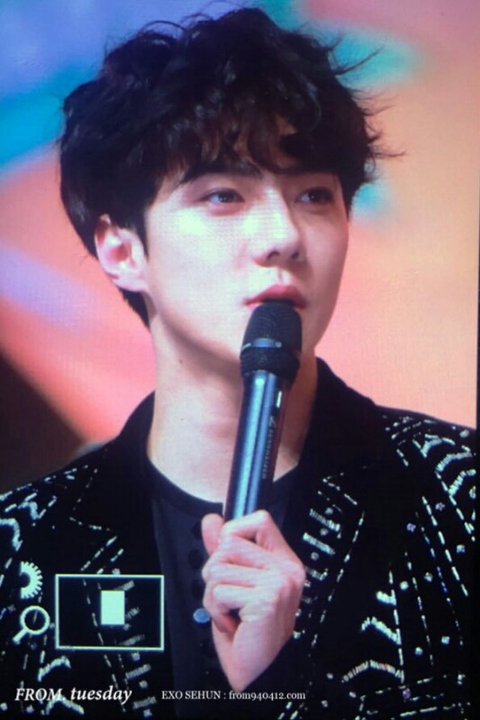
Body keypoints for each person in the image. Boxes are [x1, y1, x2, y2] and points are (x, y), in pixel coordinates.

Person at [0, 8, 475, 720]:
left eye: (314, 195)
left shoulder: (457, 501)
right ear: (121, 250)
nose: (283, 234)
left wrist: (278, 687)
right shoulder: (25, 544)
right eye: (224, 195)